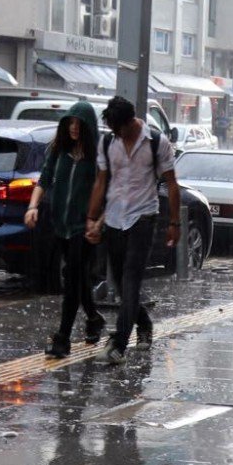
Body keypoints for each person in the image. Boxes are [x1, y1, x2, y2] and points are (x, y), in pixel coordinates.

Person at [86, 96, 180, 366]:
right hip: (114, 219)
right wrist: (92, 219)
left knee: (130, 281)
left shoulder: (156, 142)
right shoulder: (107, 143)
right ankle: (145, 324)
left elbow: (172, 183)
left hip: (143, 218)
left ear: (131, 122)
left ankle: (118, 345)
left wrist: (175, 223)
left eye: (120, 129)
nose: (117, 134)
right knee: (121, 284)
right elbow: (101, 182)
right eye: (112, 129)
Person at [25, 102, 104, 358]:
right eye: (70, 123)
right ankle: (93, 318)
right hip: (60, 224)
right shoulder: (58, 151)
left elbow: (105, 192)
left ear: (88, 127)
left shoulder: (97, 159)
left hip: (84, 227)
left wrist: (98, 221)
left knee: (71, 280)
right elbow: (44, 180)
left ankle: (63, 338)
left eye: (79, 125)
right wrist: (32, 207)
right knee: (77, 278)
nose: (74, 129)